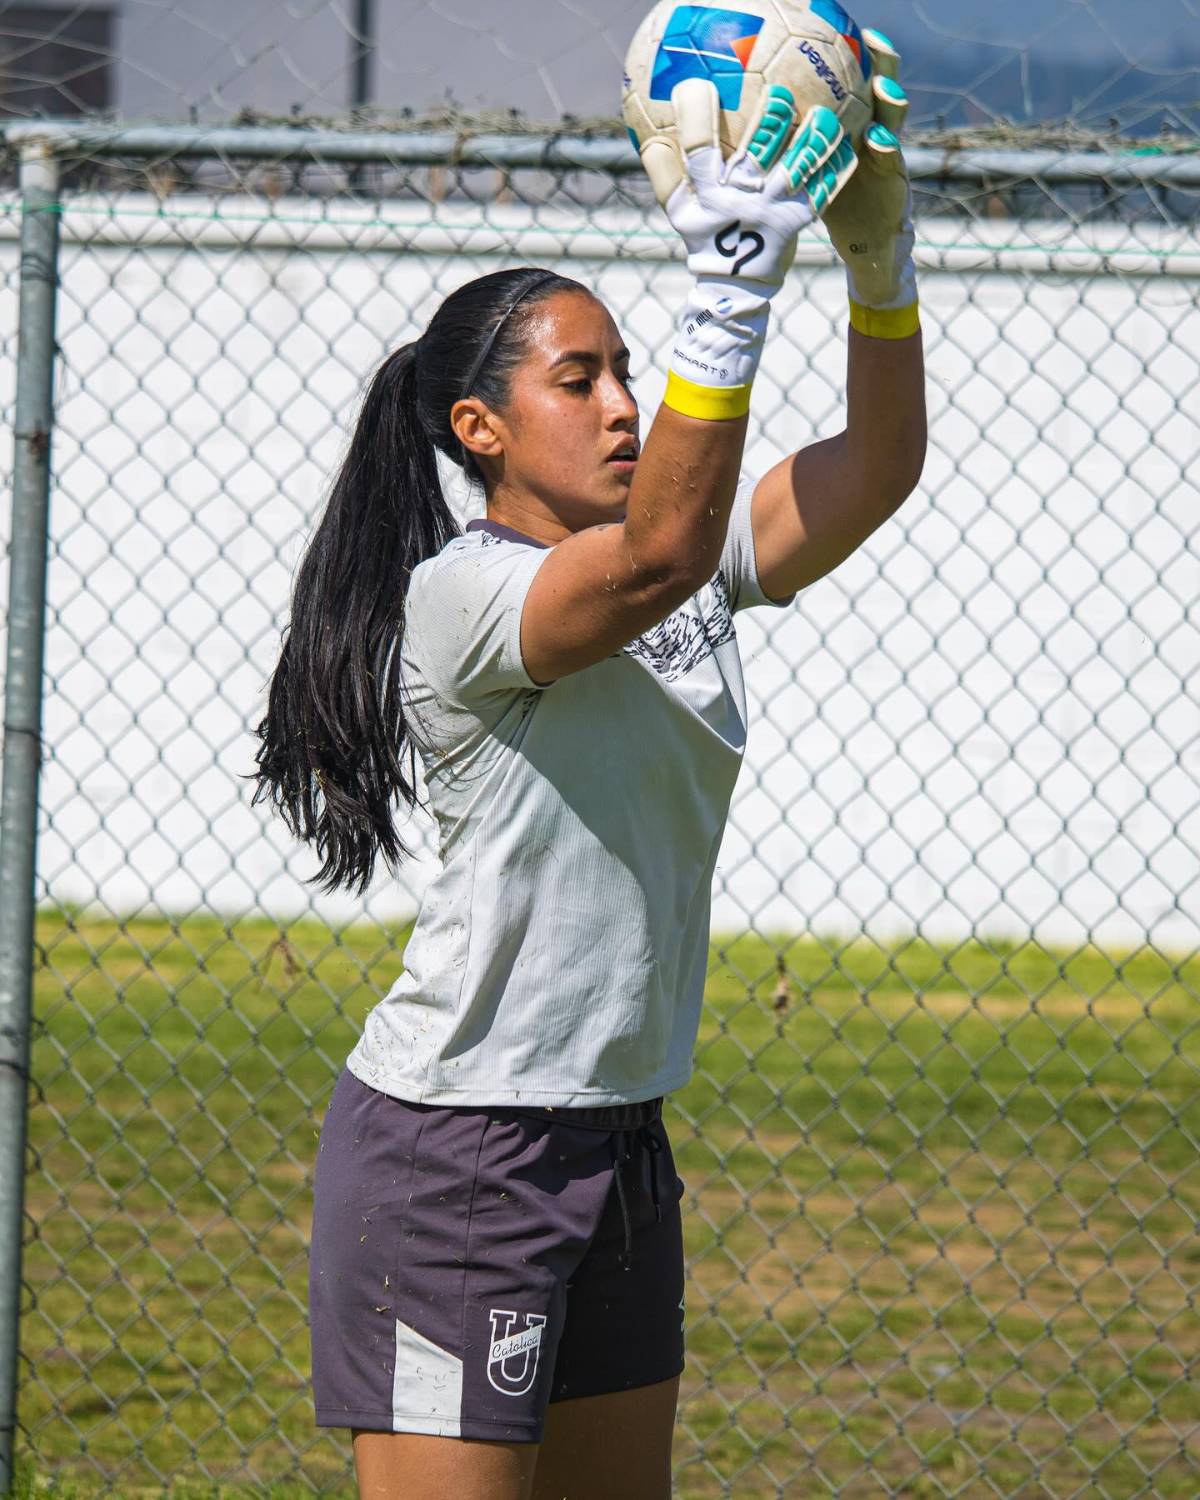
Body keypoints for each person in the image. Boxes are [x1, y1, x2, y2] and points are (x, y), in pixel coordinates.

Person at [252, 35, 926, 1500]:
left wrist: (879, 262)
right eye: (583, 378)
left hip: (617, 1144)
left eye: (630, 370)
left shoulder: (669, 566)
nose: (624, 402)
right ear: (479, 431)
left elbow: (873, 472)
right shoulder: (472, 596)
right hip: (461, 1159)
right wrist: (733, 284)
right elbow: (663, 551)